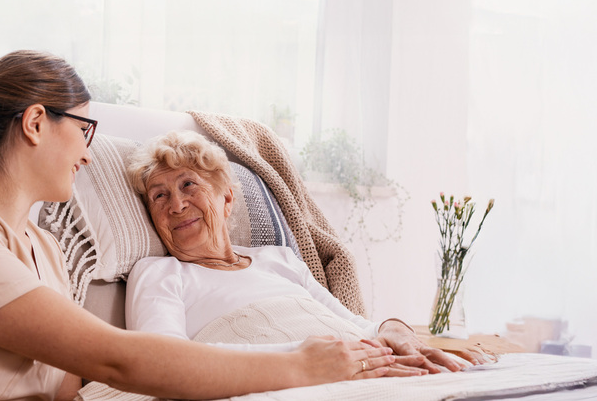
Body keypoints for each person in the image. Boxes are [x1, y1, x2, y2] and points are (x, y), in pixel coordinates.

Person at [0, 50, 407, 401]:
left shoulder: (45, 251)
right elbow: (116, 358)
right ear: (36, 122)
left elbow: (69, 389)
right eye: (85, 131)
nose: (89, 155)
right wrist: (298, 367)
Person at [125, 130, 491, 376]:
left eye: (189, 185)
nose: (176, 205)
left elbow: (356, 326)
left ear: (227, 198)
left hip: (359, 374)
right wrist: (302, 360)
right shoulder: (158, 274)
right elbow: (164, 365)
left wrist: (396, 329)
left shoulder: (279, 260)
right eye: (159, 195)